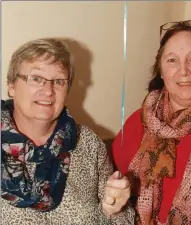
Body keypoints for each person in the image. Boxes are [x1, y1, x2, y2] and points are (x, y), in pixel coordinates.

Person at [111, 20, 191, 224]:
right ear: (160, 70)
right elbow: (111, 188)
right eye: (172, 60)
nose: (183, 70)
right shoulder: (138, 121)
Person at [1, 38, 134, 224]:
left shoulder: (88, 144)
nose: (48, 90)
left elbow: (121, 219)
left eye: (58, 81)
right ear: (11, 85)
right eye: (36, 78)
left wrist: (115, 208)